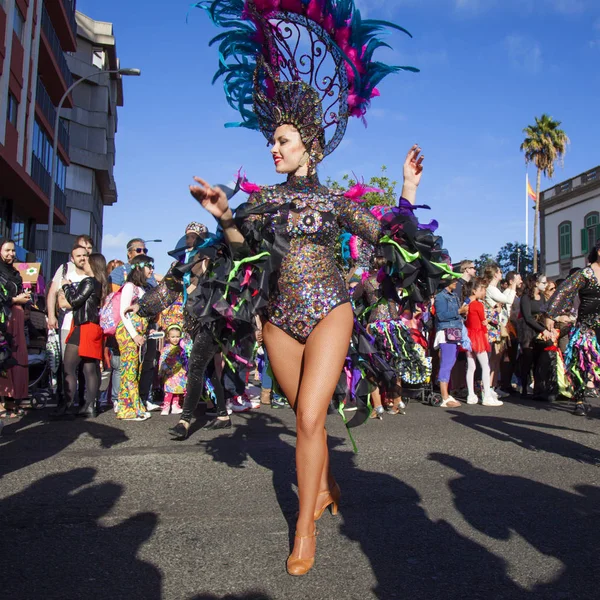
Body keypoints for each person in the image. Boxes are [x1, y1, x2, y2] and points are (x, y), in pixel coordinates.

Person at [190, 0, 454, 576]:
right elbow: (242, 255)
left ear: (308, 141)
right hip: (279, 318)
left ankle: (304, 528)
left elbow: (390, 238)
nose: (273, 148)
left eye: (282, 139)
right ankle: (327, 483)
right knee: (301, 416)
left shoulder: (336, 203)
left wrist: (407, 189)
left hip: (331, 308)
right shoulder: (261, 201)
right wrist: (223, 215)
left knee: (311, 418)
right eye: (272, 142)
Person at [546, 240, 600, 416]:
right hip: (587, 327)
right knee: (581, 365)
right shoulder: (585, 274)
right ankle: (580, 400)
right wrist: (550, 314)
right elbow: (563, 291)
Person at [51, 254, 107, 418]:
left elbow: (75, 301)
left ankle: (67, 406)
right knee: (89, 368)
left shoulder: (89, 281)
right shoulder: (98, 283)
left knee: (69, 367)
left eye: (87, 260)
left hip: (83, 327)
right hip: (92, 326)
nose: (84, 262)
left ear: (92, 264)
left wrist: (66, 287)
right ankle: (89, 406)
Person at [114, 255, 156, 421]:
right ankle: (130, 409)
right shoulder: (129, 287)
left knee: (135, 370)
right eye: (149, 266)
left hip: (139, 334)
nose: (151, 270)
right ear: (139, 267)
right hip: (128, 333)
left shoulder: (142, 288)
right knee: (129, 371)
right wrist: (135, 334)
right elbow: (124, 313)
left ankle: (130, 407)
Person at [0, 239, 30, 417]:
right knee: (2, 357)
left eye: (12, 251)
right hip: (4, 318)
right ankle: (1, 401)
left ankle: (12, 400)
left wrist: (25, 299)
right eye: (7, 251)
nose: (11, 254)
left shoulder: (15, 272)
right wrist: (15, 300)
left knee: (15, 358)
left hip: (17, 318)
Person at [46, 235, 93, 334]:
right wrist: (51, 316)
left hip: (88, 324)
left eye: (89, 248)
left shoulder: (95, 269)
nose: (86, 251)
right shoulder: (66, 268)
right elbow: (53, 292)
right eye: (83, 248)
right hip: (67, 321)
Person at [464, 279, 499, 406]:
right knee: (485, 365)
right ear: (475, 291)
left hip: (468, 336)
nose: (484, 292)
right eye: (482, 289)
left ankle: (471, 395)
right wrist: (485, 333)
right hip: (478, 336)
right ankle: (487, 396)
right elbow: (483, 323)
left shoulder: (466, 304)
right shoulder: (478, 305)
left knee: (471, 366)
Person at [517, 273, 553, 398]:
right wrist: (542, 330)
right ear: (536, 283)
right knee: (528, 358)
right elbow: (527, 317)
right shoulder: (526, 297)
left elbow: (545, 313)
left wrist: (548, 325)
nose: (546, 284)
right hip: (528, 330)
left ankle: (539, 387)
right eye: (543, 282)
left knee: (540, 359)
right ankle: (524, 386)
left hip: (540, 328)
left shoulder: (542, 297)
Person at [482, 264, 513, 399]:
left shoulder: (495, 289)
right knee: (493, 357)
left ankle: (493, 386)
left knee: (497, 358)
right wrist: (513, 286)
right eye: (500, 272)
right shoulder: (490, 289)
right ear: (495, 274)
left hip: (500, 324)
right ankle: (487, 387)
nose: (502, 274)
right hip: (494, 326)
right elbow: (508, 300)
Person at [433, 280, 465, 408]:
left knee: (450, 362)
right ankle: (444, 396)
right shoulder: (440, 297)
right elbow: (441, 316)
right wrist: (458, 311)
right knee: (446, 364)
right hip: (446, 333)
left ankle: (446, 393)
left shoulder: (454, 296)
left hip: (455, 332)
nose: (456, 282)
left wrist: (463, 313)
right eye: (453, 280)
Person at [158, 324, 186, 416]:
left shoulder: (181, 348)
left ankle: (175, 405)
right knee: (169, 390)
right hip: (170, 372)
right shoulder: (166, 349)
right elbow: (162, 360)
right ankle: (166, 406)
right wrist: (164, 370)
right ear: (168, 337)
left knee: (178, 389)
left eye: (177, 336)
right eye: (173, 337)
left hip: (179, 372)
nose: (175, 339)